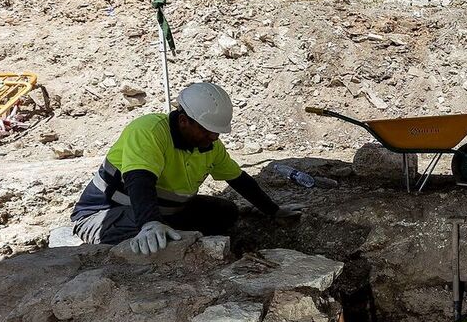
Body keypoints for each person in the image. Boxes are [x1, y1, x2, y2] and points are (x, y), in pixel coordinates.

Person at [71, 82, 301, 255]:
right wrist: (150, 223)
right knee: (157, 243)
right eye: (207, 130)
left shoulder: (209, 145)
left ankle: (170, 233)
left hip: (164, 213)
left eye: (216, 131)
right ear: (183, 120)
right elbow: (140, 180)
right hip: (105, 214)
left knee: (225, 212)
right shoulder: (149, 131)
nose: (213, 136)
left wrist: (273, 210)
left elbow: (238, 179)